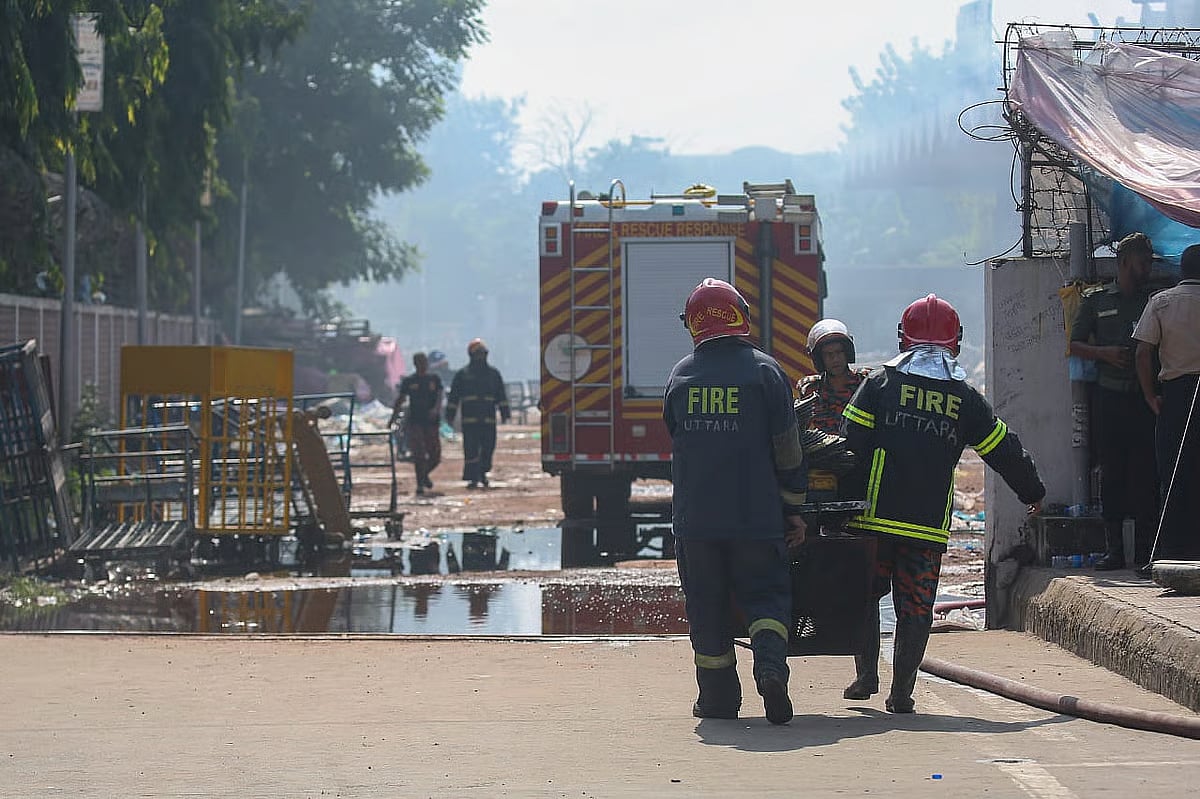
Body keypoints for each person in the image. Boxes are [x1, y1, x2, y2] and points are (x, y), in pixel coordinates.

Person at [841, 294, 1045, 714]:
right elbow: (1003, 449)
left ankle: (865, 677)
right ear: (955, 342)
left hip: (874, 520)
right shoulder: (964, 398)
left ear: (902, 339)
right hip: (926, 526)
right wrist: (1033, 492)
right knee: (916, 609)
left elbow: (847, 442)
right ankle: (901, 693)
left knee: (863, 598)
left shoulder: (880, 384)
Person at [663, 278, 808, 725]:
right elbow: (787, 447)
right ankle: (770, 668)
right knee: (765, 598)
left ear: (693, 324)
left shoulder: (680, 376)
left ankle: (719, 701)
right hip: (756, 517)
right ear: (740, 315)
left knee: (706, 607)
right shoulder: (766, 372)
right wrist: (794, 506)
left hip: (697, 522)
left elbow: (675, 437)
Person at [1068, 231, 1159, 570]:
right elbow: (1075, 344)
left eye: (1149, 263)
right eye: (1141, 262)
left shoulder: (1153, 301)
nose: (1146, 268)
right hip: (1109, 397)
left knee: (1145, 474)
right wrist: (1104, 353)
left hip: (1143, 398)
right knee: (1112, 473)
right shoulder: (1097, 301)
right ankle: (1114, 551)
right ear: (1124, 262)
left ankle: (1146, 550)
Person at [1134, 244, 1200, 562]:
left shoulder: (1161, 302)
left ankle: (1170, 552)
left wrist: (1149, 395)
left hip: (1176, 393)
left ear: (1181, 271)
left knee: (1173, 472)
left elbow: (1142, 352)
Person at [445, 338, 510, 489]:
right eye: (478, 354)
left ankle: (483, 472)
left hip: (488, 419)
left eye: (483, 353)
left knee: (488, 448)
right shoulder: (462, 374)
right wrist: (450, 415)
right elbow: (454, 397)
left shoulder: (494, 374)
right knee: (471, 450)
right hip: (470, 421)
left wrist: (505, 412)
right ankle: (473, 477)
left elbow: (501, 395)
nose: (481, 356)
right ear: (471, 355)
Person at [797, 318, 871, 435]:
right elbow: (801, 429)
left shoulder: (866, 382)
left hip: (857, 451)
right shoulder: (810, 388)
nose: (835, 359)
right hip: (823, 451)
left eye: (839, 352)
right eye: (828, 354)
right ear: (820, 359)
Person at [389, 352, 443, 496]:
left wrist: (436, 410)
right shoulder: (409, 381)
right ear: (415, 364)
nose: (422, 365)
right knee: (418, 455)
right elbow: (400, 400)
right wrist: (393, 419)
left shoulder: (434, 379)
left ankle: (424, 475)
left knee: (435, 455)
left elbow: (439, 397)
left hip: (431, 422)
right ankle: (420, 483)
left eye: (424, 362)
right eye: (419, 362)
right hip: (415, 422)